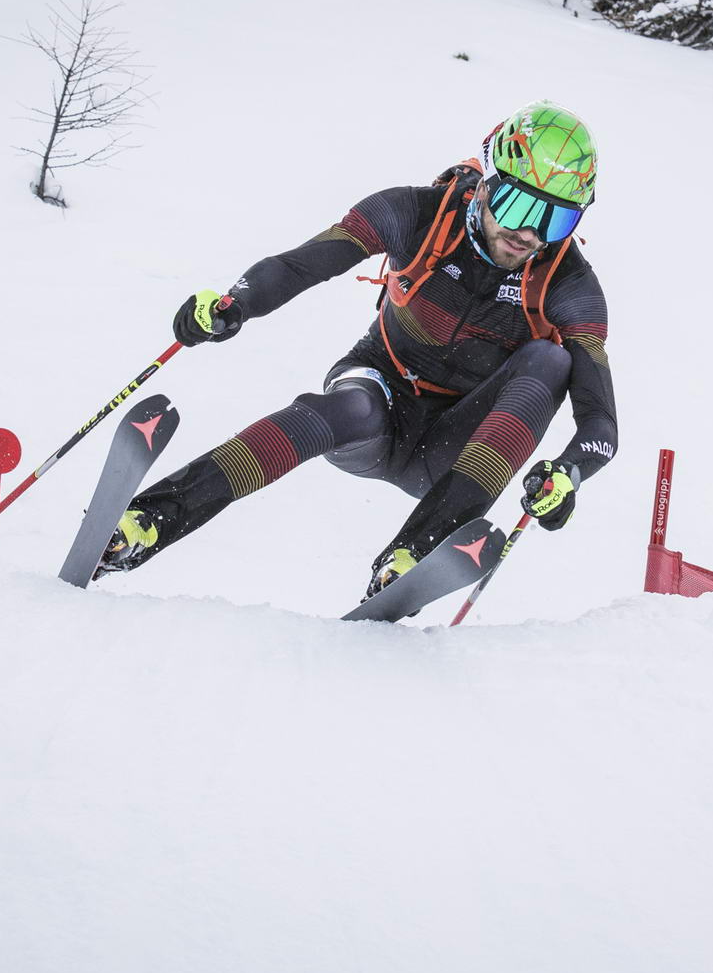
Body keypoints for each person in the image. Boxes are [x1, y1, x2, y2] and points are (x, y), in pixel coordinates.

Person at [95, 100, 618, 600]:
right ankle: (150, 521)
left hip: (459, 451)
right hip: (379, 400)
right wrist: (235, 305)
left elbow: (601, 425)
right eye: (519, 204)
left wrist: (568, 474)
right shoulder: (416, 213)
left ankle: (410, 560)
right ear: (486, 185)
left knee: (551, 359)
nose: (529, 233)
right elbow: (305, 263)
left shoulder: (568, 282)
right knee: (352, 406)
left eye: (555, 220)